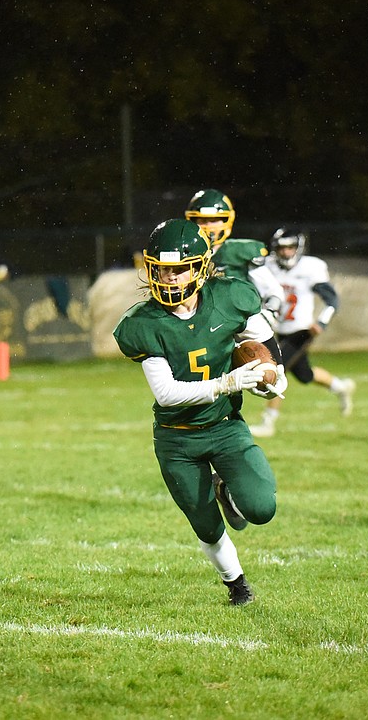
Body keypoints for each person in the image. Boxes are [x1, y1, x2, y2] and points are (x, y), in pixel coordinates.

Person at [112, 218, 288, 606]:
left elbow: (268, 356)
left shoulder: (230, 298)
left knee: (261, 508)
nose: (170, 278)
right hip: (177, 438)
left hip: (225, 427)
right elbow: (168, 393)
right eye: (162, 270)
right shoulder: (143, 323)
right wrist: (227, 383)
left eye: (179, 268)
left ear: (202, 266)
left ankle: (225, 487)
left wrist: (269, 380)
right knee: (206, 525)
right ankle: (237, 586)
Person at [250, 228, 355, 438]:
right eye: (282, 248)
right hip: (278, 328)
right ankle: (340, 387)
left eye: (290, 247)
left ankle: (268, 421)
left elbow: (332, 300)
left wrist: (322, 322)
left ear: (298, 248)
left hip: (301, 330)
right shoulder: (268, 266)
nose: (286, 252)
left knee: (277, 368)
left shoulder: (311, 268)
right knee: (304, 374)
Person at [184, 188, 285, 327]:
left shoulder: (242, 251)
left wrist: (269, 312)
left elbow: (272, 290)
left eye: (214, 220)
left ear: (227, 220)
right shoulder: (185, 253)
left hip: (240, 324)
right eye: (202, 220)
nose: (208, 226)